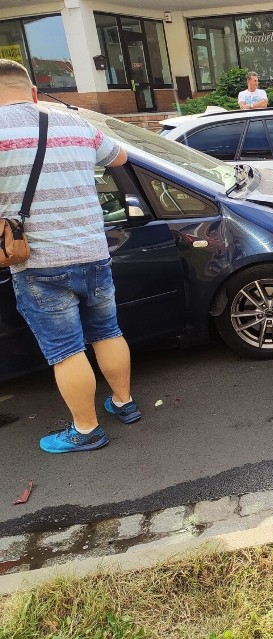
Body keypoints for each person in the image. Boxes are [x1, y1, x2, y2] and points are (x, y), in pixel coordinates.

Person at [0, 59, 141, 454]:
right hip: (95, 252)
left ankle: (87, 429)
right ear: (31, 91)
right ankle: (124, 403)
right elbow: (120, 159)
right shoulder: (74, 123)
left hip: (39, 263)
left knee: (67, 352)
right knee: (108, 332)